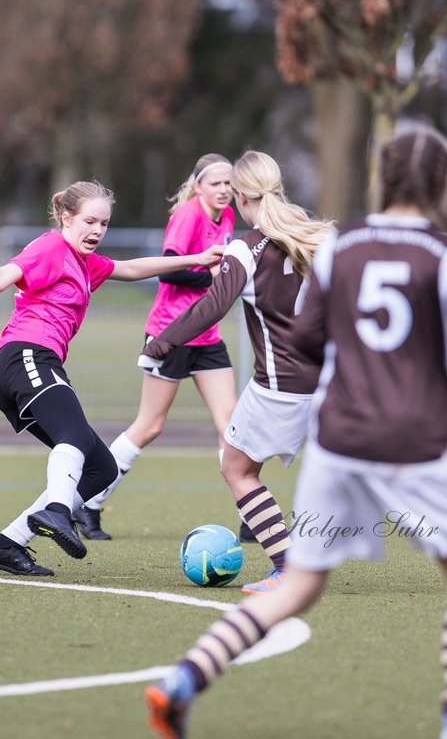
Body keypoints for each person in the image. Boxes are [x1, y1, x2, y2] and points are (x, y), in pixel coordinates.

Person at [144, 131, 447, 739]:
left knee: (297, 584)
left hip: (338, 435)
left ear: (380, 180)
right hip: (410, 436)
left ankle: (184, 679)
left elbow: (302, 338)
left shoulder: (345, 244)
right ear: (438, 187)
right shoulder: (442, 250)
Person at [0, 180, 224, 577]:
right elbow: (2, 275)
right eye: (89, 221)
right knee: (73, 438)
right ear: (66, 217)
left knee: (100, 467)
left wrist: (196, 258)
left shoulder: (89, 263)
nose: (97, 231)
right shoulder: (51, 248)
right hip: (23, 356)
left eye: (104, 224)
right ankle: (56, 511)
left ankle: (7, 544)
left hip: (38, 363)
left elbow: (133, 269)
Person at [139, 150, 332, 594]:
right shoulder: (315, 236)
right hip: (328, 383)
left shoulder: (246, 248)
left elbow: (210, 308)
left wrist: (161, 342)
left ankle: (288, 569)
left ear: (241, 197)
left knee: (237, 469)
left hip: (281, 387)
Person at [71, 155, 237, 542]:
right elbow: (170, 267)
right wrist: (210, 275)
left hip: (208, 336)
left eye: (229, 183)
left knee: (231, 426)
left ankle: (249, 512)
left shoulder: (226, 218)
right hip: (172, 333)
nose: (225, 190)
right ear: (199, 187)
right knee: (149, 426)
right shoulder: (189, 216)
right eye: (216, 183)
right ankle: (89, 504)